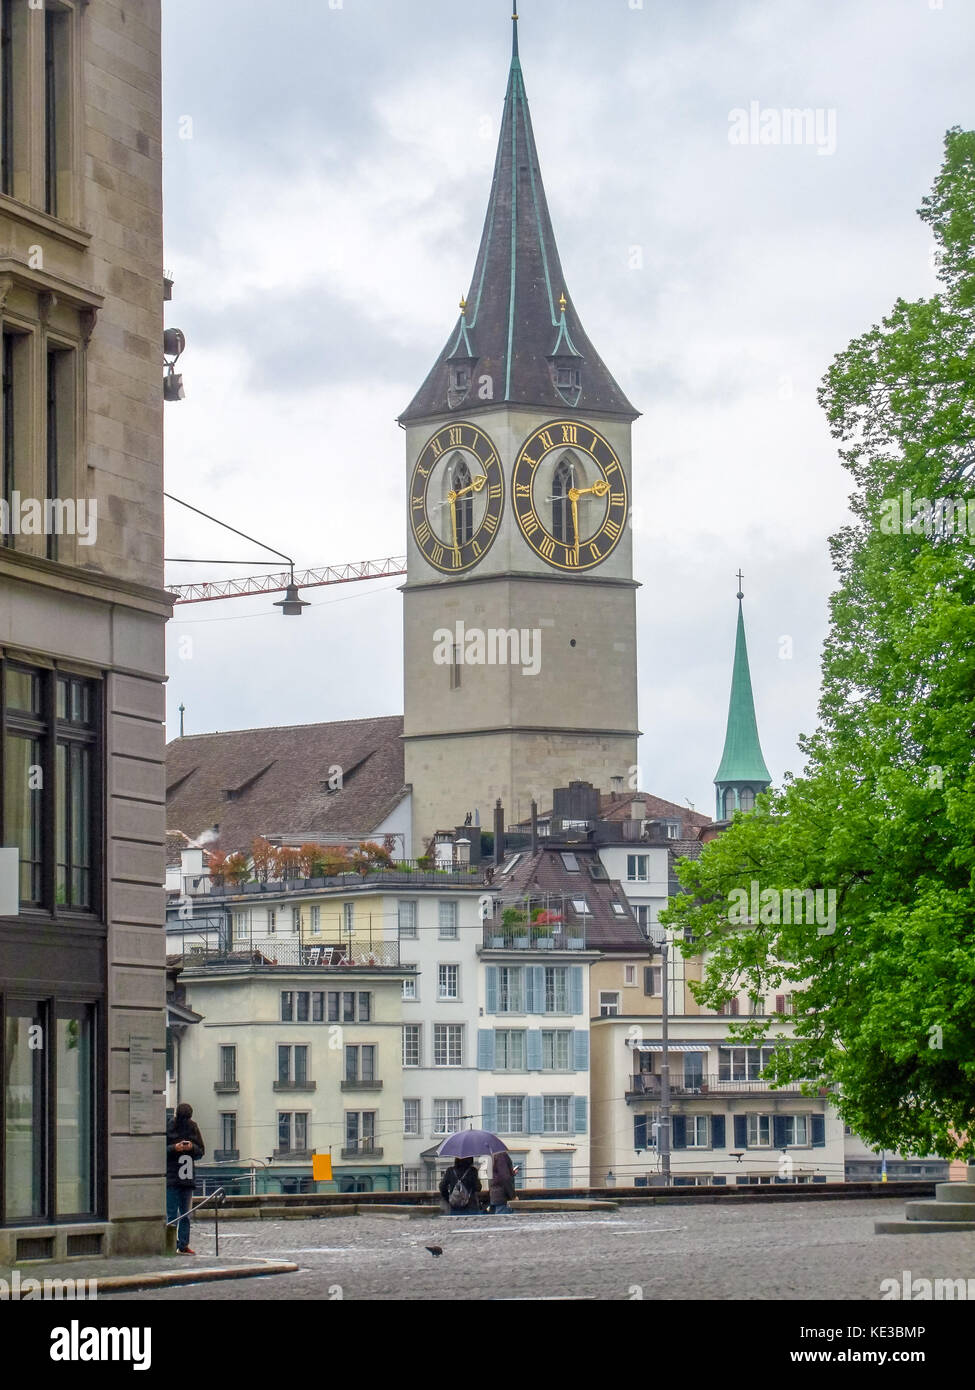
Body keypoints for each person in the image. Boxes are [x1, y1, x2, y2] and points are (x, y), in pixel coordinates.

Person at [166, 1102, 205, 1254]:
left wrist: (191, 1148)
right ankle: (170, 1243)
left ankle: (182, 1244)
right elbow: (159, 1149)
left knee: (185, 1214)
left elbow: (201, 1150)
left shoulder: (193, 1127)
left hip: (187, 1178)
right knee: (171, 1214)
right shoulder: (168, 1127)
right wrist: (174, 1148)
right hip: (172, 1176)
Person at [488, 1150, 517, 1215]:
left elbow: (495, 1176)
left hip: (495, 1196)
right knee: (503, 1222)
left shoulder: (491, 1155)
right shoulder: (500, 1154)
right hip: (503, 1197)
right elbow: (505, 1177)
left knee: (498, 1222)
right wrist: (513, 1196)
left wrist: (511, 1173)